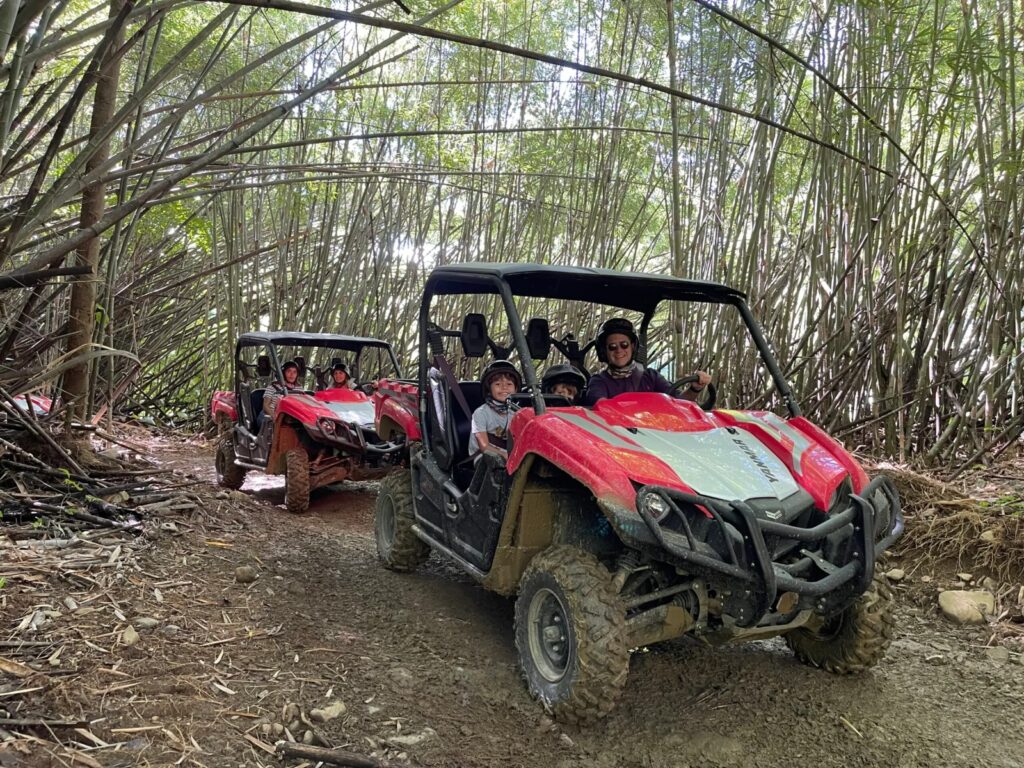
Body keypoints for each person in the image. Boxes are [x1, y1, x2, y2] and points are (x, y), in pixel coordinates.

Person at [583, 318, 711, 406]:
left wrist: (694, 389)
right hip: (616, 437)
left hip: (654, 436)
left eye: (624, 344)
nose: (619, 350)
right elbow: (600, 405)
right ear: (604, 352)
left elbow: (680, 403)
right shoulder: (599, 381)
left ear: (633, 347)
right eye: (612, 347)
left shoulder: (651, 377)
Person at [469, 360, 521, 460]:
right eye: (497, 384)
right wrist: (504, 455)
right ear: (489, 389)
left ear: (516, 389)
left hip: (510, 456)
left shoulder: (517, 413)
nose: (504, 387)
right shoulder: (481, 413)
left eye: (509, 384)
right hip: (483, 457)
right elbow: (484, 446)